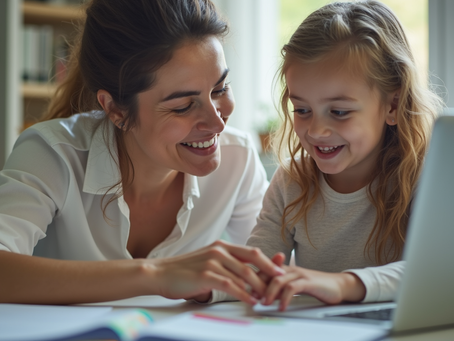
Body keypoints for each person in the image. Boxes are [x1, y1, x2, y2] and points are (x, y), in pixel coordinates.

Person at [0, 0, 285, 305]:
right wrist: (156, 275)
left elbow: (270, 273)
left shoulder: (237, 159)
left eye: (220, 89)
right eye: (183, 106)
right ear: (115, 109)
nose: (217, 122)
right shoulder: (53, 153)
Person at [244, 0, 443, 311]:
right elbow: (256, 274)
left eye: (339, 112)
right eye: (302, 110)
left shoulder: (428, 176)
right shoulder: (291, 181)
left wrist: (343, 284)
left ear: (392, 105)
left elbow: (437, 273)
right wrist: (211, 286)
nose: (316, 131)